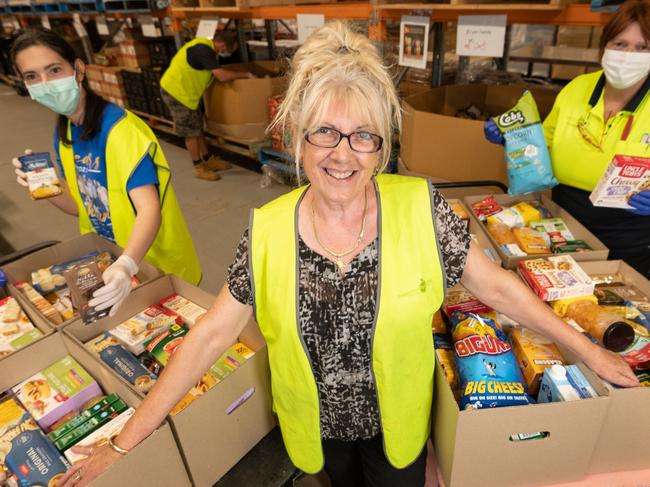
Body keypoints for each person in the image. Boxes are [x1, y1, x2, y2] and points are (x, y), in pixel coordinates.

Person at [59, 22, 638, 487]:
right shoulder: (267, 228)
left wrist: (586, 346)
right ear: (294, 135)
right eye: (324, 132)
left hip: (400, 425)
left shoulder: (421, 208)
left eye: (365, 135)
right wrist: (120, 443)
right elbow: (210, 336)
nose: (344, 155)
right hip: (317, 428)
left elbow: (498, 288)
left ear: (385, 146)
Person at [10, 27, 201, 316]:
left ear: (78, 69)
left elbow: (149, 209)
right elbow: (81, 207)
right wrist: (45, 188)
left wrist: (127, 265)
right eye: (32, 77)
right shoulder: (66, 133)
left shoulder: (120, 132)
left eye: (54, 70)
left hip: (154, 265)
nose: (46, 83)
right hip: (109, 263)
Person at [485, 0, 650, 277]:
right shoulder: (577, 89)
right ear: (605, 46)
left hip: (630, 238)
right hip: (562, 227)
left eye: (642, 47)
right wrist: (513, 138)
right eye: (620, 44)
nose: (628, 55)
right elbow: (544, 146)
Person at [160, 30, 253, 181]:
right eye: (229, 50)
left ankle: (208, 160)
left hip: (189, 95)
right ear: (222, 45)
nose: (228, 53)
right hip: (177, 93)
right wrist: (246, 75)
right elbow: (221, 76)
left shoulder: (206, 48)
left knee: (197, 128)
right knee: (191, 133)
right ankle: (198, 167)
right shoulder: (203, 50)